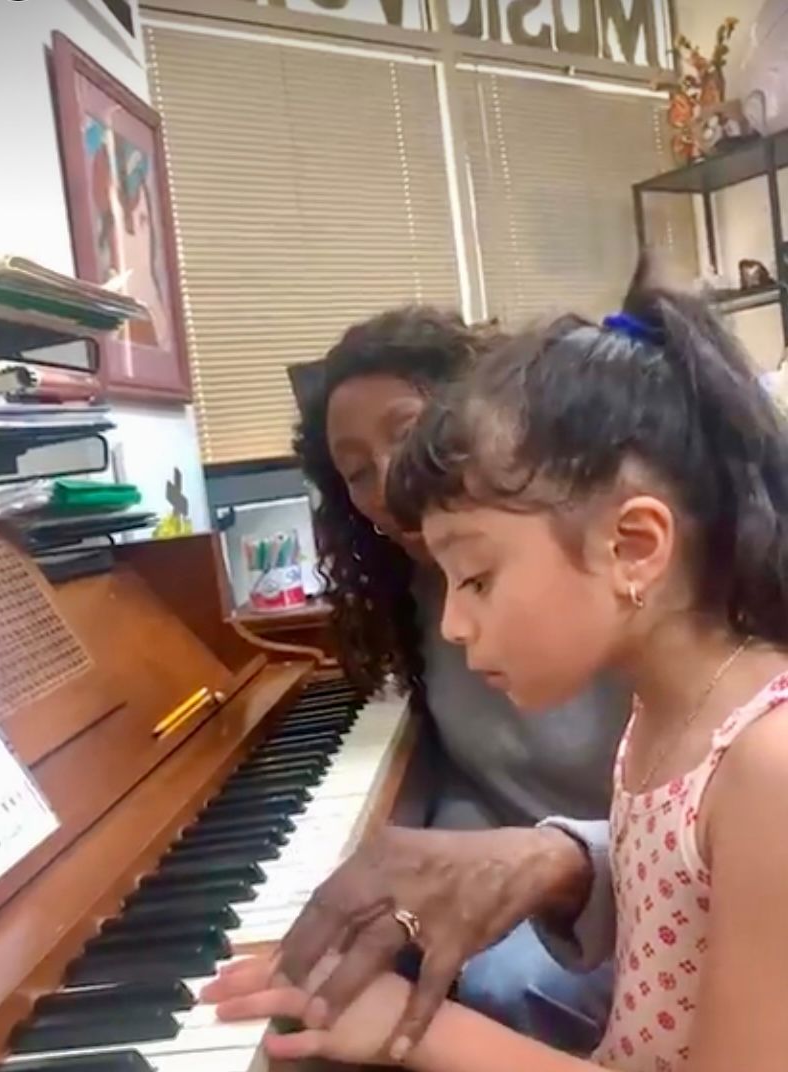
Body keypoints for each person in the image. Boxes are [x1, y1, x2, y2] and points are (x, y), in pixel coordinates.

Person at [203, 255, 788, 1072]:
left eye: (476, 577)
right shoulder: (661, 720)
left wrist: (420, 1029)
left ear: (634, 547)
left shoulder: (767, 767)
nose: (451, 622)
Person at [287, 307, 627, 1046]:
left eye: (405, 432)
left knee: (497, 983)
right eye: (354, 470)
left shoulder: (602, 567)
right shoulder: (411, 592)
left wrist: (543, 859)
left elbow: (715, 813)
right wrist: (427, 865)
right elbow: (470, 773)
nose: (387, 480)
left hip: (631, 888)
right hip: (536, 870)